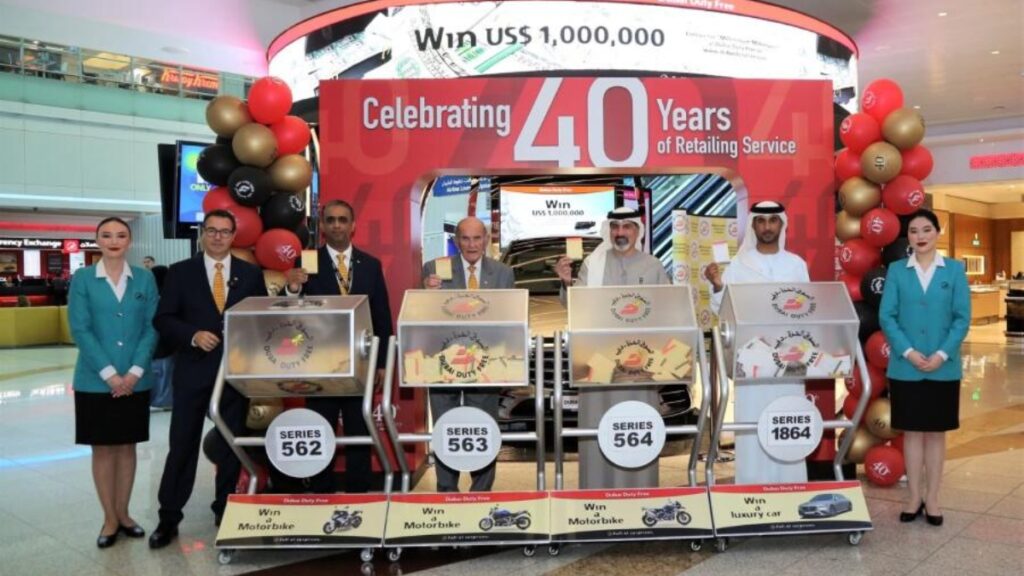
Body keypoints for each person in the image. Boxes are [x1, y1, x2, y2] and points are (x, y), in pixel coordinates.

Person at [149, 209, 266, 549]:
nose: (217, 237)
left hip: (234, 373)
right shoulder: (180, 272)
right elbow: (163, 319)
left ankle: (225, 510)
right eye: (211, 230)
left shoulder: (250, 274)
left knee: (229, 445)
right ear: (202, 233)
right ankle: (169, 517)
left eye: (224, 231)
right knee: (181, 446)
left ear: (234, 236)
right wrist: (192, 335)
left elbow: (261, 318)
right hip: (192, 372)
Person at [554, 207, 669, 489]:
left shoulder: (653, 265)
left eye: (627, 227)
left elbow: (668, 309)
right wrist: (566, 283)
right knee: (598, 423)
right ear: (609, 230)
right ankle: (597, 492)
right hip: (599, 365)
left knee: (637, 421)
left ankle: (641, 490)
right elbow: (575, 308)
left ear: (637, 231)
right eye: (615, 227)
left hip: (640, 366)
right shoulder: (592, 265)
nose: (620, 232)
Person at [283, 200, 393, 493]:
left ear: (352, 225)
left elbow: (381, 316)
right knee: (320, 429)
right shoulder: (306, 262)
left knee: (359, 430)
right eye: (330, 220)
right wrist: (292, 288)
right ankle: (321, 493)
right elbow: (290, 314)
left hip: (361, 361)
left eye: (342, 220)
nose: (336, 225)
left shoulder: (370, 264)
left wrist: (382, 363)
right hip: (319, 363)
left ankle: (359, 494)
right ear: (322, 226)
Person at [702, 200, 810, 484]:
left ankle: (791, 484)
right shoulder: (738, 265)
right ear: (753, 225)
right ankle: (751, 485)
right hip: (751, 357)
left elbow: (807, 310)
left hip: (789, 356)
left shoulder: (796, 265)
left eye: (773, 221)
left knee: (788, 418)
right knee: (752, 420)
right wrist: (717, 286)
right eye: (761, 221)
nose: (767, 227)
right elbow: (722, 309)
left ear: (781, 225)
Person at [68, 217, 159, 548]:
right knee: (104, 449)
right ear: (98, 241)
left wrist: (134, 371)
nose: (113, 241)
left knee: (127, 446)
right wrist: (110, 374)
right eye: (106, 235)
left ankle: (124, 513)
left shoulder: (145, 278)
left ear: (129, 241)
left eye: (121, 235)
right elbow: (80, 329)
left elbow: (152, 327)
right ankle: (109, 518)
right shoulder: (83, 279)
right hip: (95, 381)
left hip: (136, 379)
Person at [879, 208, 969, 527]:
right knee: (913, 433)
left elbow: (962, 318)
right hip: (906, 366)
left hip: (944, 366)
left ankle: (933, 498)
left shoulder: (954, 270)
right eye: (914, 231)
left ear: (938, 232)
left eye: (926, 229)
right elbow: (887, 316)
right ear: (908, 237)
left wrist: (942, 354)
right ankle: (914, 497)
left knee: (935, 433)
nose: (920, 236)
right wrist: (909, 352)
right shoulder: (897, 270)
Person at [422, 216, 515, 491]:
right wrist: (427, 294)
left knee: (484, 426)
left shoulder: (503, 273)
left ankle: (481, 492)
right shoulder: (434, 269)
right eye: (465, 238)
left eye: (477, 238)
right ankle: (447, 490)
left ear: (486, 240)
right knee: (445, 426)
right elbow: (423, 315)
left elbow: (509, 318)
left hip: (486, 364)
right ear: (456, 241)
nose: (472, 245)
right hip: (444, 363)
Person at [148, 265, 174, 411]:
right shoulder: (169, 296)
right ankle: (165, 400)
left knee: (155, 373)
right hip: (167, 344)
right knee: (166, 373)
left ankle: (156, 400)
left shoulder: (150, 297)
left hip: (153, 344)